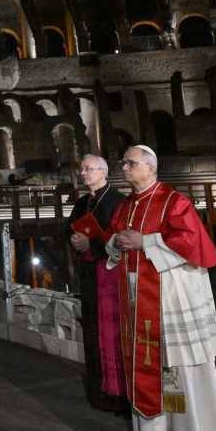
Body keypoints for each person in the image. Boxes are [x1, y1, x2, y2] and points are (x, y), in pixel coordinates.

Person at [107, 145, 216, 431]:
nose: (124, 168)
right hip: (139, 304)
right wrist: (116, 244)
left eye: (131, 163)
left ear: (150, 167)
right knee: (150, 368)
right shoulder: (127, 204)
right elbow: (117, 238)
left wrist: (145, 242)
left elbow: (192, 244)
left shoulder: (173, 201)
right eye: (123, 163)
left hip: (171, 300)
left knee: (180, 372)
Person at [66, 155, 126, 412]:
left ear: (103, 172)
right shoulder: (82, 203)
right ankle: (99, 394)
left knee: (114, 335)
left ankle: (120, 396)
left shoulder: (118, 201)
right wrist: (75, 241)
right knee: (92, 332)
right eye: (81, 169)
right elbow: (68, 230)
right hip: (90, 276)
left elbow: (122, 238)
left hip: (112, 278)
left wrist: (91, 244)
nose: (83, 173)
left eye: (88, 169)